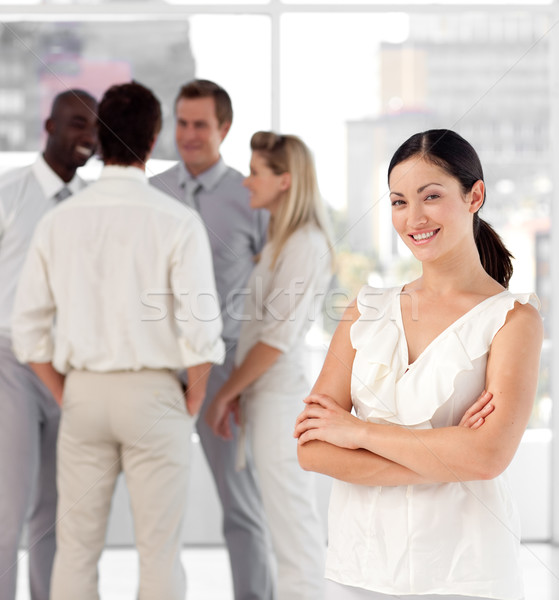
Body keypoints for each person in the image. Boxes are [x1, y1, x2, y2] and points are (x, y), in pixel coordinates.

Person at [294, 129, 543, 600]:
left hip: (465, 574)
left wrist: (360, 433)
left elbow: (488, 457)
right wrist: (451, 457)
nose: (414, 217)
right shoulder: (365, 311)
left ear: (475, 196)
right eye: (398, 202)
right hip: (357, 568)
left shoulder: (513, 319)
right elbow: (311, 449)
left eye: (431, 196)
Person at [11, 81, 225, 600]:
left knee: (76, 550)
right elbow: (201, 333)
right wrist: (190, 403)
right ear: (154, 140)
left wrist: (68, 394)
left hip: (82, 394)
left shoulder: (59, 220)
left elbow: (28, 330)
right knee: (159, 553)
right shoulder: (178, 221)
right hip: (156, 396)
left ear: (101, 137)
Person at [150, 79, 274, 600]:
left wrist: (246, 378)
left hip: (223, 367)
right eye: (182, 123)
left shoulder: (250, 197)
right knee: (155, 506)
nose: (189, 134)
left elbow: (272, 289)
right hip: (156, 368)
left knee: (241, 507)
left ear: (224, 128)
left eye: (201, 124)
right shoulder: (152, 192)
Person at [207, 131, 333, 600]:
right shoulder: (284, 243)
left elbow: (275, 340)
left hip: (281, 404)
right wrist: (240, 392)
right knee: (285, 525)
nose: (245, 182)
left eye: (255, 172)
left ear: (284, 181)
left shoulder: (304, 244)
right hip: (267, 400)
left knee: (294, 532)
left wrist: (224, 391)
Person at [0, 88, 98, 600]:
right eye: (77, 124)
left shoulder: (93, 204)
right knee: (7, 507)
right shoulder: (9, 192)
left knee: (57, 509)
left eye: (95, 126)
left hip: (70, 367)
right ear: (50, 127)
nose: (88, 135)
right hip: (12, 363)